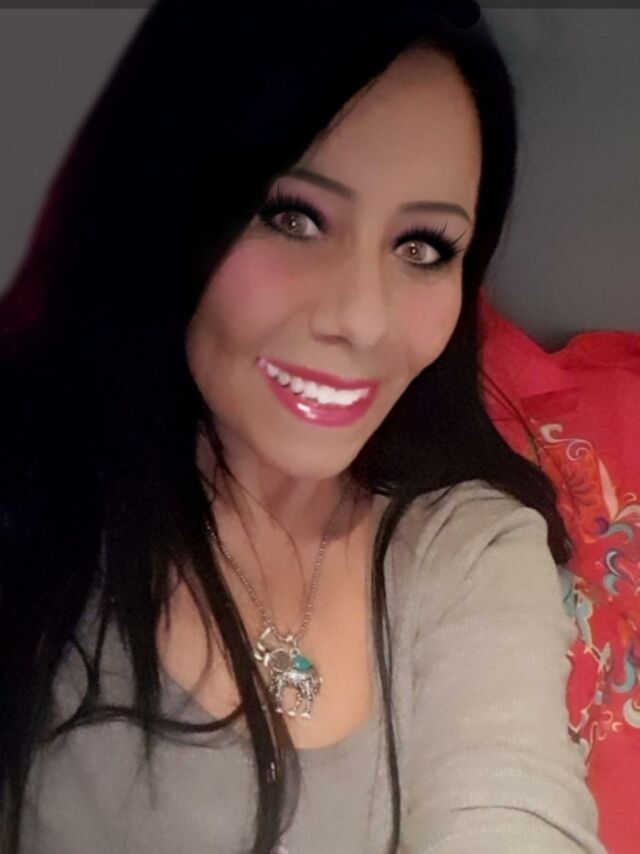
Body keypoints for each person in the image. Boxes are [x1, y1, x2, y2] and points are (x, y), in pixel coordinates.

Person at [0, 2, 606, 852]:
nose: (362, 319)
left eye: (424, 247)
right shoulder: (33, 508)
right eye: (293, 217)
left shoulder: (467, 545)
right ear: (172, 209)